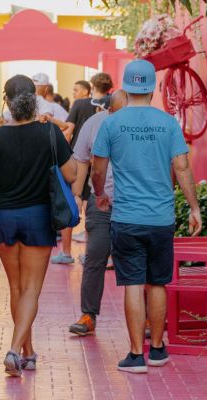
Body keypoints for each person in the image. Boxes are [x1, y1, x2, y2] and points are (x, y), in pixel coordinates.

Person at [91, 60, 202, 374]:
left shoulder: (111, 123)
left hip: (126, 216)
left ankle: (136, 355)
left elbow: (98, 169)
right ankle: (157, 350)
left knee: (132, 285)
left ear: (125, 88)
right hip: (161, 218)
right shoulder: (168, 124)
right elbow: (182, 168)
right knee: (157, 283)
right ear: (152, 88)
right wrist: (194, 207)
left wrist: (99, 193)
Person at [0, 75, 76, 377]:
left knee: (16, 287)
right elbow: (71, 173)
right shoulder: (50, 134)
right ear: (34, 101)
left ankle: (28, 352)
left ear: (7, 102)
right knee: (30, 289)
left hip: (3, 219)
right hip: (38, 218)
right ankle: (15, 350)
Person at [68, 90, 128, 336]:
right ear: (109, 109)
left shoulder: (138, 123)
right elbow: (81, 161)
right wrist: (78, 196)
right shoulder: (94, 124)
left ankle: (145, 318)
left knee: (135, 259)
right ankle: (88, 315)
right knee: (95, 255)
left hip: (132, 203)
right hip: (100, 202)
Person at [50, 73, 114, 265]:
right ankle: (91, 252)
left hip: (80, 161)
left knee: (72, 205)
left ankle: (67, 252)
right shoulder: (114, 106)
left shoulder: (79, 105)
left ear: (90, 88)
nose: (75, 93)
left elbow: (68, 130)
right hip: (102, 167)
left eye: (76, 90)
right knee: (91, 207)